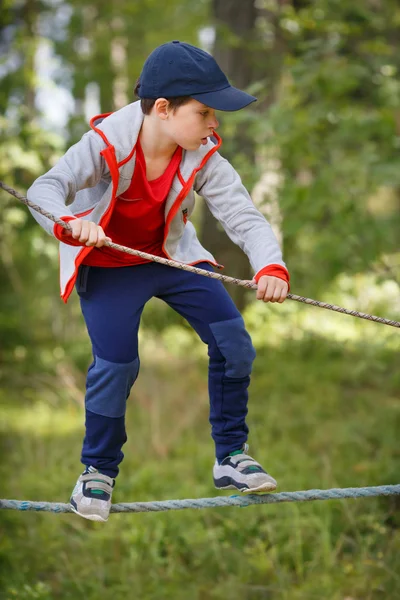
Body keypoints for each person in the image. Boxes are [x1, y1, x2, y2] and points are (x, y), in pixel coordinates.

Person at [27, 41, 290, 522]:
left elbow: (246, 219)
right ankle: (97, 471)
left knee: (234, 341)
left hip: (171, 259)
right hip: (109, 266)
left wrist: (270, 266)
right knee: (118, 364)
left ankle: (231, 456)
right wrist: (66, 222)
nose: (215, 124)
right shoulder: (105, 143)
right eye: (206, 111)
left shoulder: (203, 155)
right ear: (164, 109)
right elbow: (44, 189)